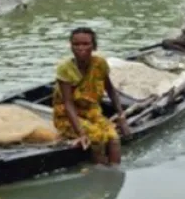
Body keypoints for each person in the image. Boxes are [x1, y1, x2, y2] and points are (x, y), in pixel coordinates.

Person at [53, 27, 132, 165]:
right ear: (71, 46)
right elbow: (68, 103)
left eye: (85, 44)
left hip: (91, 111)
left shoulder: (99, 63)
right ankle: (100, 171)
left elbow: (111, 90)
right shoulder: (64, 68)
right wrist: (81, 133)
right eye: (76, 44)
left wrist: (121, 115)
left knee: (114, 137)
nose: (80, 48)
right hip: (67, 116)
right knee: (97, 136)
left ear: (93, 46)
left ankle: (115, 173)